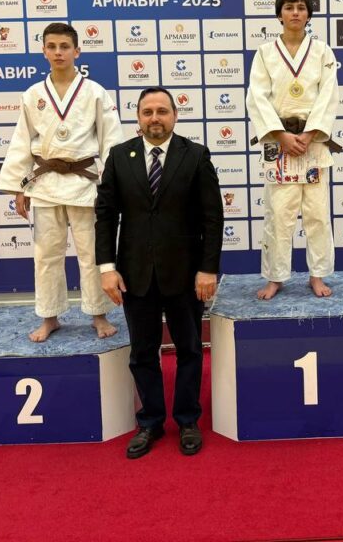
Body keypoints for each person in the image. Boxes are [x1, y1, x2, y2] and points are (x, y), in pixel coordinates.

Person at [95, 87, 223, 458]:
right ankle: (150, 422)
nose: (155, 118)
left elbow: (212, 217)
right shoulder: (120, 156)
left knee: (189, 350)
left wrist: (207, 269)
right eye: (147, 111)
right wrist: (107, 268)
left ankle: (187, 419)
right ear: (138, 117)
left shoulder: (195, 155)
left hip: (186, 275)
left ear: (174, 116)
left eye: (162, 111)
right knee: (142, 353)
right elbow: (105, 216)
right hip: (135, 275)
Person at [0, 22, 123, 342]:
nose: (58, 52)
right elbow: (22, 140)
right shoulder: (33, 95)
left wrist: (113, 185)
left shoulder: (95, 92)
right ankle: (49, 316)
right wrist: (19, 186)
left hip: (85, 182)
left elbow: (111, 141)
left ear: (76, 51)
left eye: (64, 47)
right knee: (46, 255)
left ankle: (98, 313)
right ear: (43, 52)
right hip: (46, 183)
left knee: (92, 253)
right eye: (51, 47)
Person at [246, 0, 339, 300]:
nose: (295, 13)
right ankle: (276, 277)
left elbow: (328, 95)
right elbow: (257, 97)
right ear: (279, 14)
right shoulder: (265, 53)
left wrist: (310, 133)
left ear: (309, 14)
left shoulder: (323, 52)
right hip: (280, 143)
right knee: (278, 215)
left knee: (317, 214)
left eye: (301, 7)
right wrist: (280, 135)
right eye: (289, 8)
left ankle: (317, 275)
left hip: (313, 144)